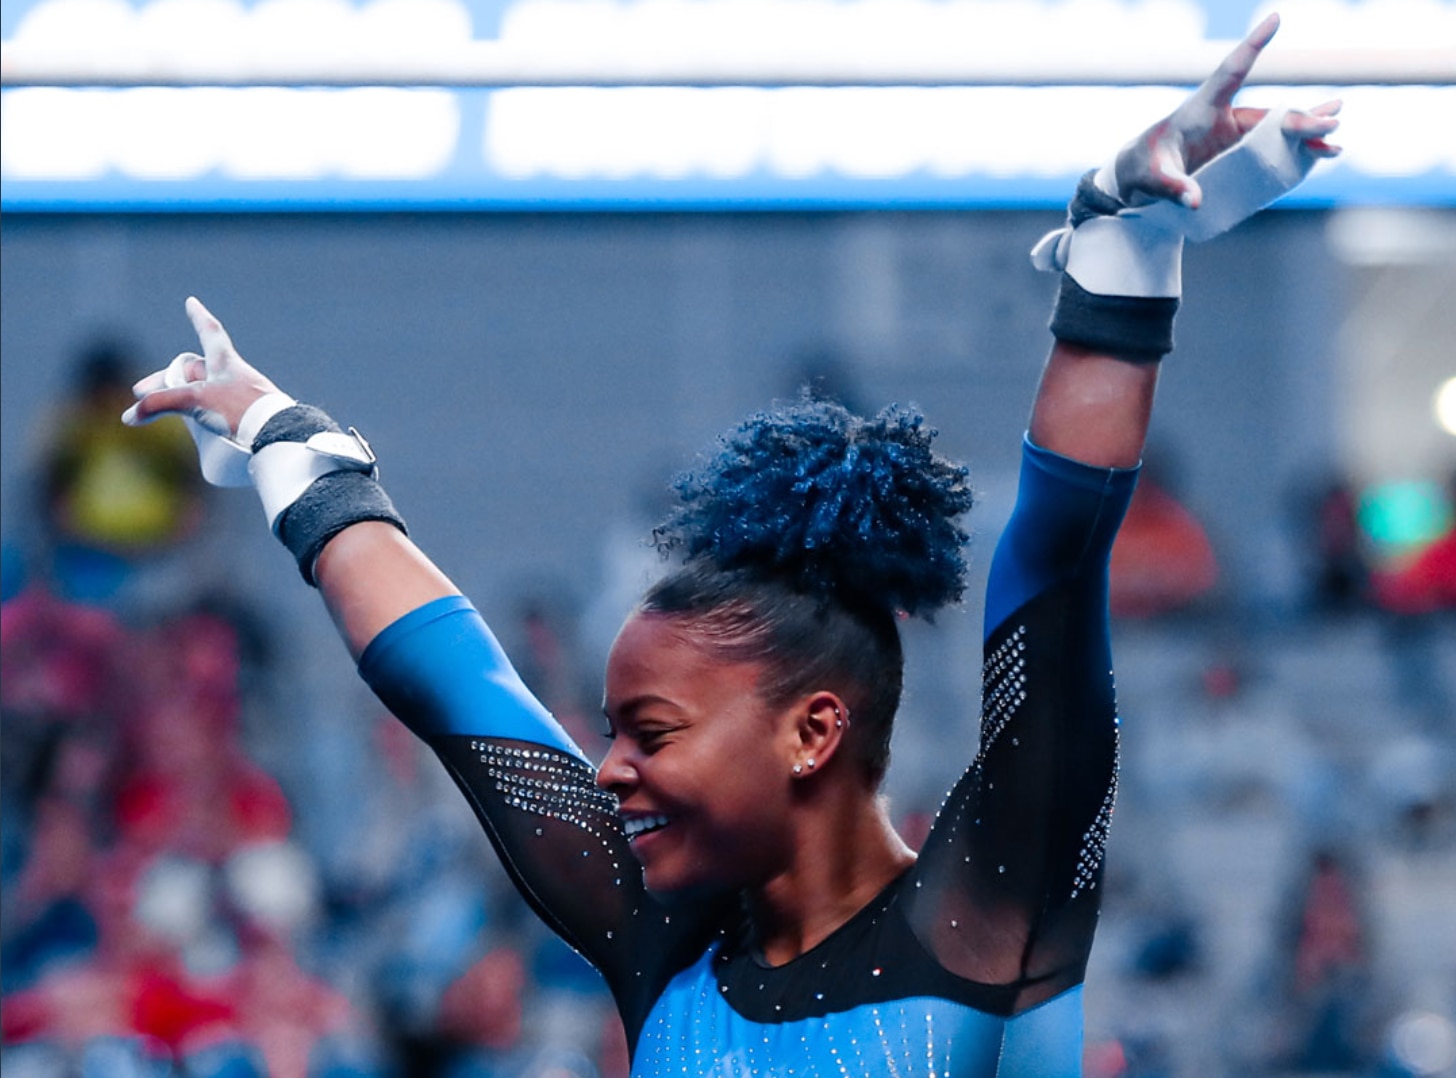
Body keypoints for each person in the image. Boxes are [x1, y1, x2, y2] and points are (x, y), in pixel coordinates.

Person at [120, 16, 1340, 1075]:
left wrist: (1120, 257)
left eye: (650, 735)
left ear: (813, 731)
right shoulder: (661, 939)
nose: (605, 771)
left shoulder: (984, 908)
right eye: (614, 732)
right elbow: (454, 684)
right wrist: (291, 446)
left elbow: (1055, 566)